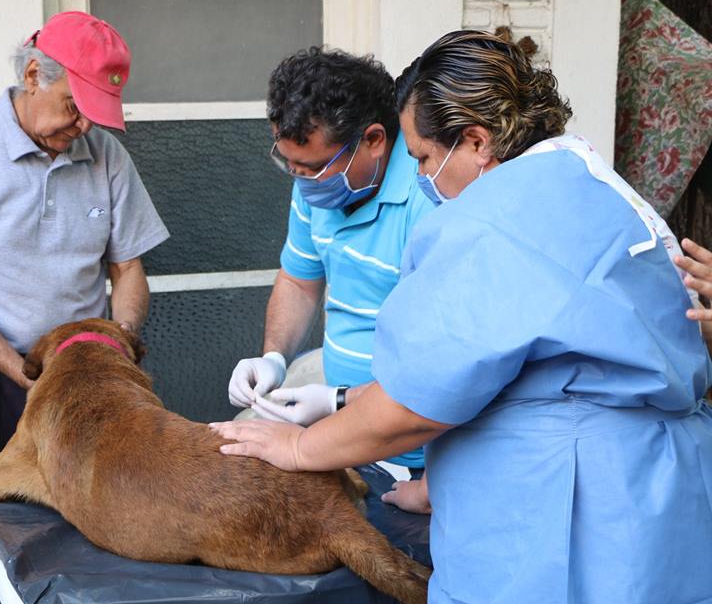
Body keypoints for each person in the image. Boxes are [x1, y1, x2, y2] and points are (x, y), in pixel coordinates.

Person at [212, 31, 712, 604]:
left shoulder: (491, 220)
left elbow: (416, 403)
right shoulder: (594, 180)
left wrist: (297, 448)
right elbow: (531, 365)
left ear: (476, 141)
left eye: (423, 156)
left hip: (567, 511)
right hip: (664, 498)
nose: (423, 175)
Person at [0, 12, 169, 604]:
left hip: (85, 371)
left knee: (96, 515)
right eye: (73, 107)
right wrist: (24, 371)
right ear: (33, 73)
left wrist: (116, 346)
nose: (81, 127)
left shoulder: (104, 158)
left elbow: (128, 270)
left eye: (94, 115)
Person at [226, 47, 434, 492]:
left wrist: (335, 406)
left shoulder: (430, 201)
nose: (301, 180)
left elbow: (438, 369)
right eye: (290, 165)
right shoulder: (315, 187)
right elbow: (299, 283)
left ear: (374, 140)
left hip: (421, 451)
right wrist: (273, 357)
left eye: (314, 167)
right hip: (342, 429)